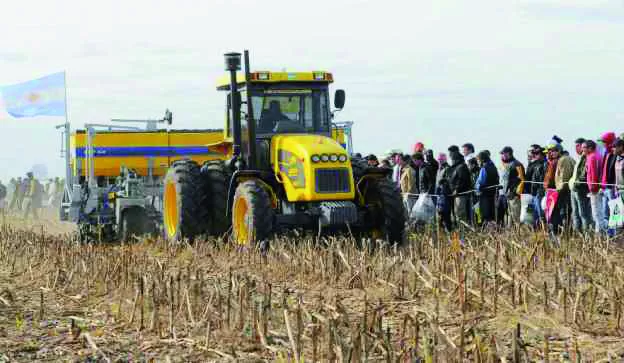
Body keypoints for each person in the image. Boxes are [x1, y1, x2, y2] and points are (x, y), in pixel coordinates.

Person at [568, 138, 593, 233]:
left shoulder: (587, 158)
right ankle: (577, 234)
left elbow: (584, 175)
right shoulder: (580, 158)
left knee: (583, 214)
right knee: (575, 213)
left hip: (581, 189)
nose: (576, 148)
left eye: (578, 146)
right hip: (574, 189)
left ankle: (587, 235)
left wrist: (576, 184)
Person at [498, 146, 526, 226]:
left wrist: (515, 192)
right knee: (506, 216)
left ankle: (518, 233)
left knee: (515, 216)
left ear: (508, 154)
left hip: (513, 195)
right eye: (501, 154)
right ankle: (509, 233)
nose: (502, 155)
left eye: (503, 153)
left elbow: (522, 180)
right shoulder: (502, 164)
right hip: (503, 194)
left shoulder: (517, 164)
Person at [585, 140, 605, 234]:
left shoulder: (592, 157)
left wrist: (593, 188)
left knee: (596, 213)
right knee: (599, 211)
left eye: (585, 147)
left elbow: (593, 173)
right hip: (596, 188)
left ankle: (599, 234)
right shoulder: (597, 155)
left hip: (594, 189)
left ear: (590, 148)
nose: (583, 149)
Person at [449, 148, 472, 226]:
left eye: (451, 155)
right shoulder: (455, 167)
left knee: (460, 214)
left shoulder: (461, 166)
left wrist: (457, 189)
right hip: (455, 195)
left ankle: (463, 232)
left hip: (461, 195)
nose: (450, 157)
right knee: (456, 214)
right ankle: (459, 231)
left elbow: (462, 180)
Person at [475, 150, 499, 225]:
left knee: (485, 215)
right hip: (493, 194)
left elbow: (480, 182)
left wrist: (476, 189)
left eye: (478, 160)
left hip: (484, 195)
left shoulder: (484, 168)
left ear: (482, 159)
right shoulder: (494, 167)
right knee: (492, 215)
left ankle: (487, 232)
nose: (477, 162)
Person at [599, 132, 618, 231]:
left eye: (605, 142)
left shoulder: (616, 156)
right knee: (604, 213)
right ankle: (608, 235)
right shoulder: (606, 154)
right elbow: (603, 170)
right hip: (604, 188)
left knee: (614, 212)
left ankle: (615, 233)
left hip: (612, 188)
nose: (603, 145)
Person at [525, 144, 547, 227]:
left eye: (537, 153)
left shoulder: (544, 164)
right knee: (534, 213)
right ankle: (536, 228)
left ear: (542, 154)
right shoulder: (535, 163)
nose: (534, 155)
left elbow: (543, 178)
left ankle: (543, 228)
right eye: (534, 153)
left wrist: (541, 190)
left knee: (540, 212)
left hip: (539, 192)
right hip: (533, 192)